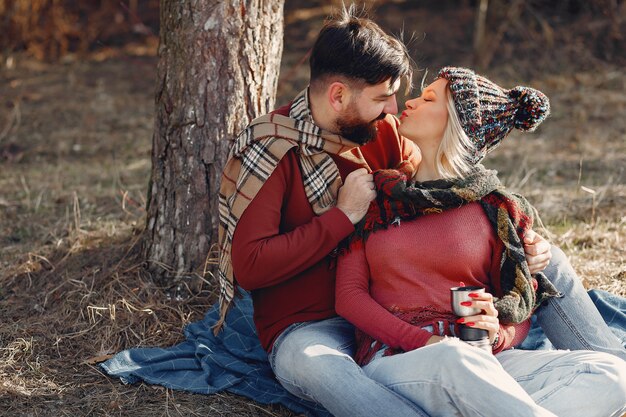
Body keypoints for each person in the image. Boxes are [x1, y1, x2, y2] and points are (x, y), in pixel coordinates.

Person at [217, 6, 625, 417]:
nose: (394, 109)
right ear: (338, 95)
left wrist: (521, 246)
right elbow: (250, 267)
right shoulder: (271, 150)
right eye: (381, 98)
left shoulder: (381, 131)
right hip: (315, 323)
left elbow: (436, 182)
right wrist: (343, 217)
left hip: (421, 317)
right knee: (319, 367)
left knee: (549, 266)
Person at [335, 66, 626, 416]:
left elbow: (520, 303)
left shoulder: (497, 210)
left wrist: (497, 335)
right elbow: (349, 299)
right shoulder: (377, 197)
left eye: (429, 98)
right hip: (400, 360)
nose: (409, 102)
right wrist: (427, 341)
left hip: (485, 362)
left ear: (457, 123)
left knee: (612, 372)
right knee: (452, 358)